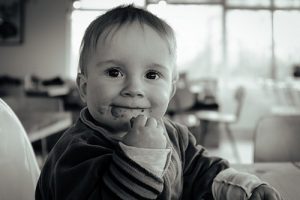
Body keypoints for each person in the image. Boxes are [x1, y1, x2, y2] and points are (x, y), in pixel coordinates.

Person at [36, 5, 282, 200]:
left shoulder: (175, 134)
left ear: (171, 89)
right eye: (114, 72)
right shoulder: (75, 152)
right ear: (84, 86)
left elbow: (202, 171)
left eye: (152, 75)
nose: (134, 89)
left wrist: (242, 188)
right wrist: (140, 158)